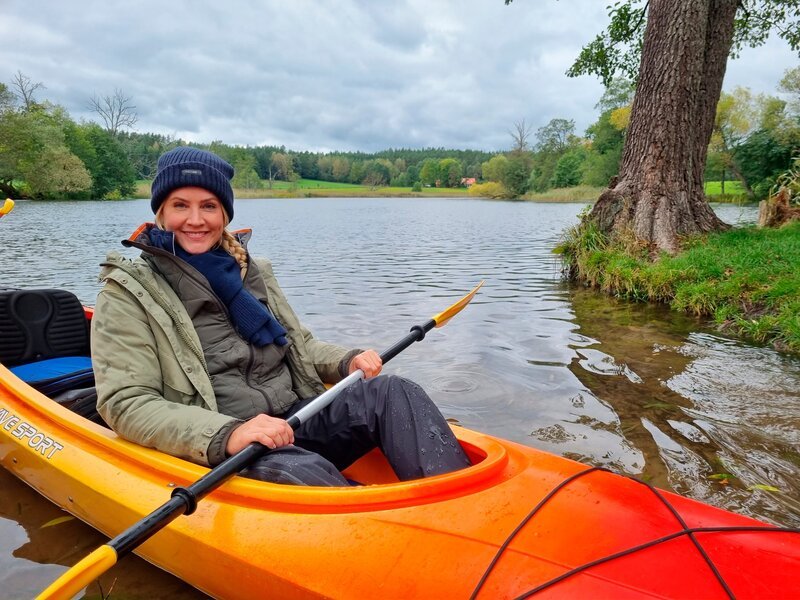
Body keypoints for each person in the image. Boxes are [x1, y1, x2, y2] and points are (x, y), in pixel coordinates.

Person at [91, 147, 471, 486]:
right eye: (180, 205)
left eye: (208, 206)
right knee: (301, 473)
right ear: (160, 212)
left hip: (294, 417)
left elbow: (298, 344)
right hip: (227, 442)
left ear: (224, 213)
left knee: (393, 391)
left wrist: (346, 359)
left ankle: (458, 503)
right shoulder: (127, 292)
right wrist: (229, 433)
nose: (195, 219)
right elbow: (126, 403)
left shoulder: (251, 270)